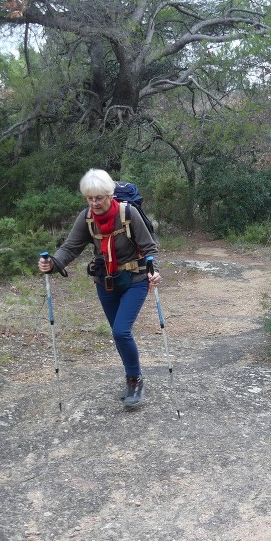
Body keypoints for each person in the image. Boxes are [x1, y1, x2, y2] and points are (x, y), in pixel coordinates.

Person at [38, 169, 161, 409]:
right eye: (89, 198)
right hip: (106, 282)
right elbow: (70, 248)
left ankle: (135, 381)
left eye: (99, 198)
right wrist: (52, 263)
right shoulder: (86, 218)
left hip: (135, 279)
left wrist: (153, 270)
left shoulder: (129, 213)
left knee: (120, 332)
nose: (94, 203)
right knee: (118, 333)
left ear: (109, 195)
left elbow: (150, 248)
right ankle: (131, 379)